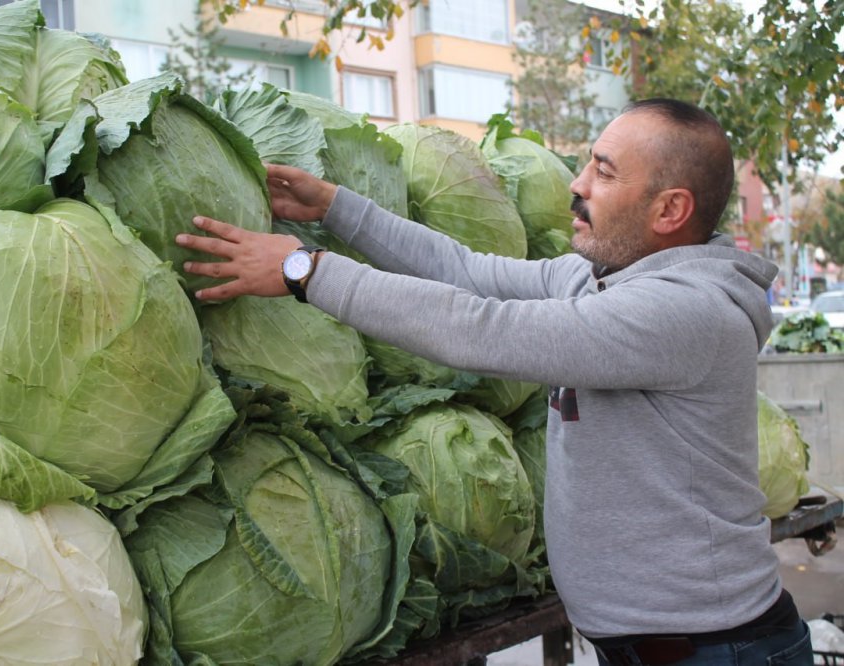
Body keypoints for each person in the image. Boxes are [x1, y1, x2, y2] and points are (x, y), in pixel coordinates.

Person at [175, 98, 813, 666]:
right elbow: (467, 271)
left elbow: (483, 328)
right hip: (666, 646)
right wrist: (339, 209)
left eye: (604, 172)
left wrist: (303, 270)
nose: (577, 182)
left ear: (670, 209)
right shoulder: (603, 279)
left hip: (719, 649)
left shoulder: (684, 313)